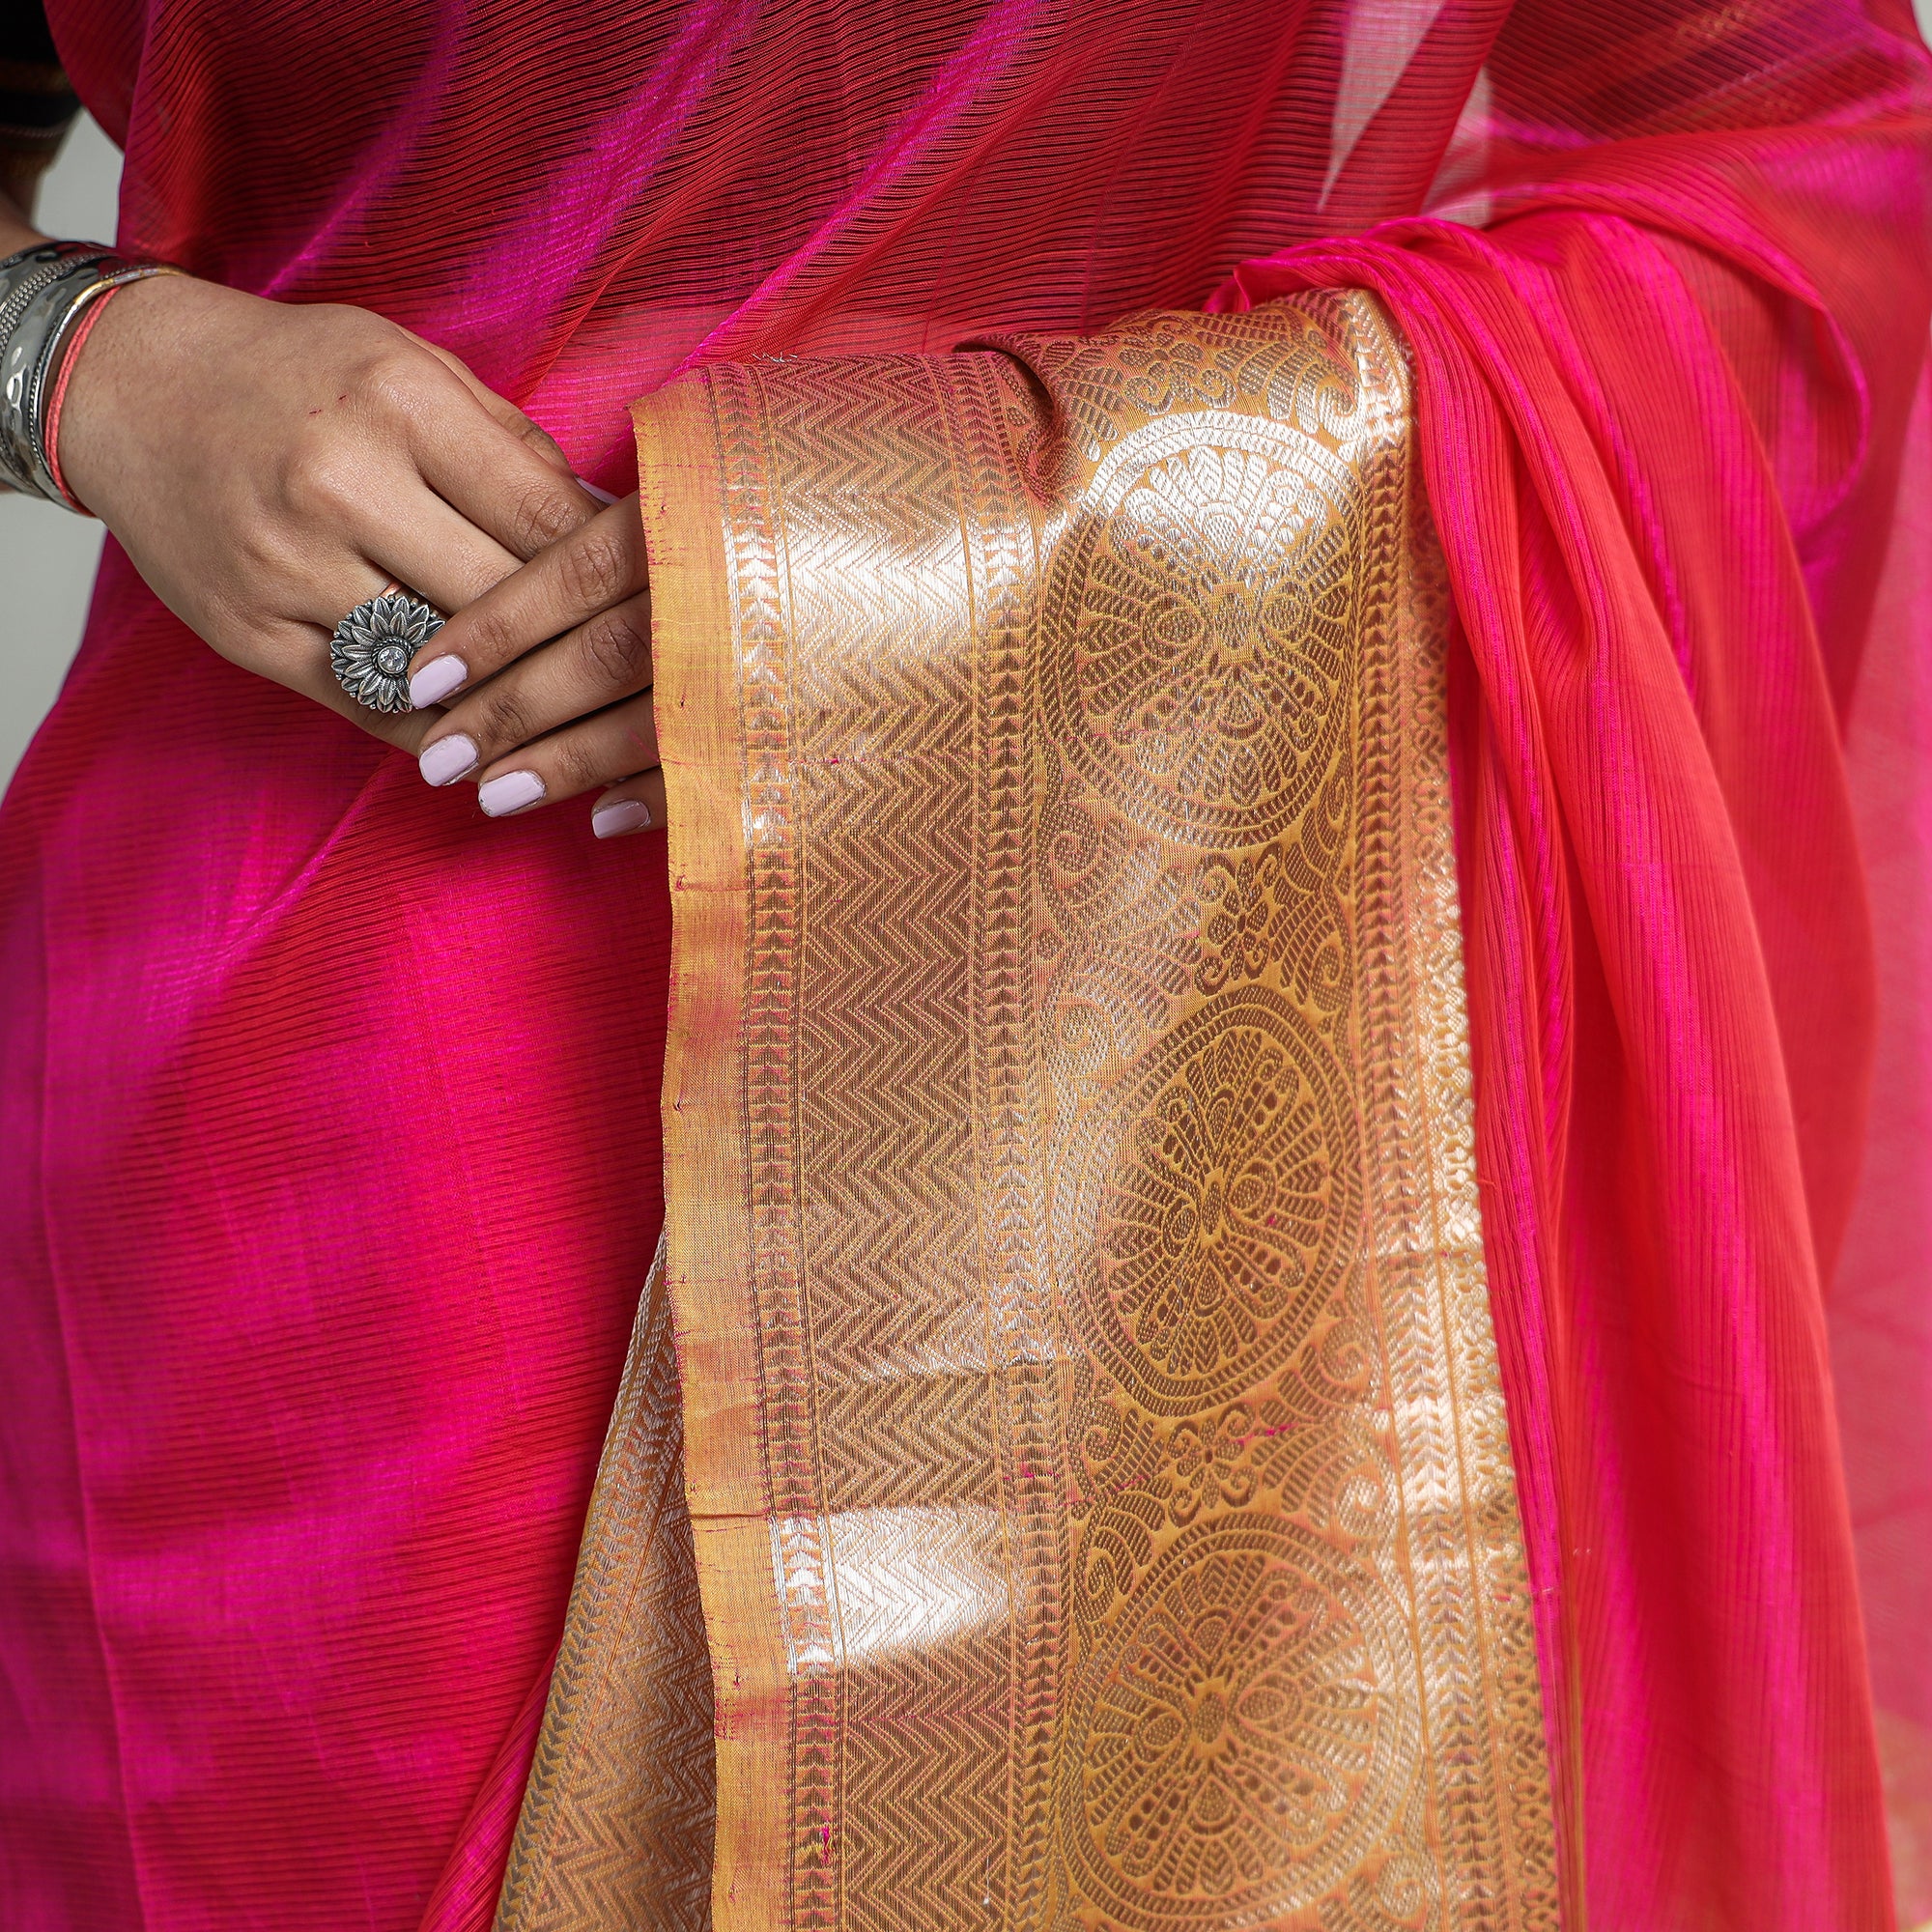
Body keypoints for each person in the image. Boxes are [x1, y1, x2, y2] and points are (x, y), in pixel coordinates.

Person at [1, 2, 1928, 1928]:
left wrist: (915, 556)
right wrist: (88, 366)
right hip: (321, 1124)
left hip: (1132, 1100)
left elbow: (1801, 206)